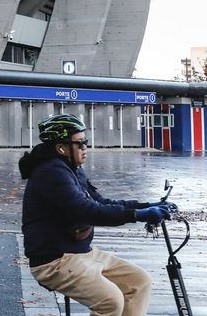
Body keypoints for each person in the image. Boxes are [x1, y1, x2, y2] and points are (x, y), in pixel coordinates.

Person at [20, 113, 171, 316]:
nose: (85, 148)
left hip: (81, 253)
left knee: (138, 282)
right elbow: (87, 210)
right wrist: (137, 215)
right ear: (61, 147)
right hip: (55, 261)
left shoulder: (71, 169)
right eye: (80, 143)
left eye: (86, 142)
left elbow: (100, 202)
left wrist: (147, 205)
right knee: (110, 301)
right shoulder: (51, 173)